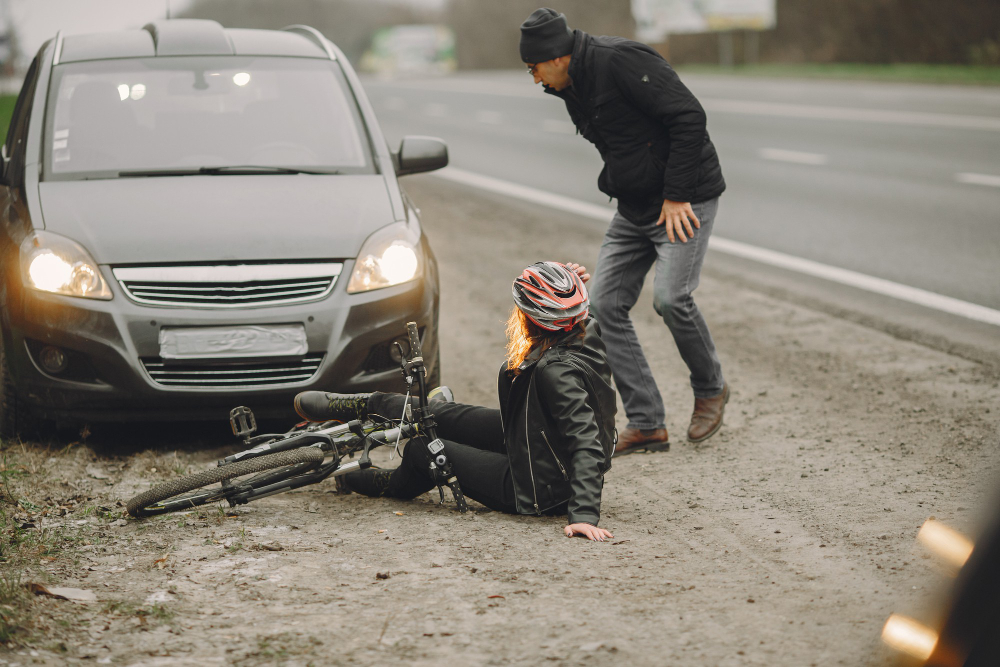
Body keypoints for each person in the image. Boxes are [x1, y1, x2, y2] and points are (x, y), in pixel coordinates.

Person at [519, 8, 730, 454]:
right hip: (634, 208)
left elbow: (689, 116)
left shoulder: (620, 61)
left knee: (672, 298)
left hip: (681, 201)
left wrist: (676, 194)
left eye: (534, 67)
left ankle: (710, 388)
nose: (534, 78)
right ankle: (648, 422)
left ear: (556, 57)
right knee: (602, 305)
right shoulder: (572, 86)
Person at [293, 262, 618, 541]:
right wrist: (565, 289)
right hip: (533, 439)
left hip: (535, 486)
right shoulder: (586, 330)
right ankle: (364, 404)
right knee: (435, 413)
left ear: (533, 318)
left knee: (424, 449)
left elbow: (587, 441)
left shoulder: (557, 373)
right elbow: (570, 311)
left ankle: (365, 478)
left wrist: (584, 515)